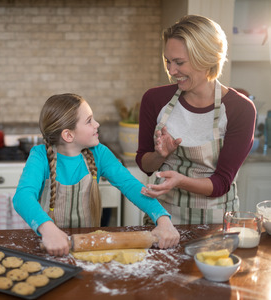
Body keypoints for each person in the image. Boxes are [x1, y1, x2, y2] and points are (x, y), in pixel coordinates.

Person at [13, 93, 180, 257]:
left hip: (89, 246)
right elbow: (23, 197)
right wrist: (48, 230)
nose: (97, 124)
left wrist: (162, 218)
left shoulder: (99, 153)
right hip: (48, 246)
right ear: (68, 135)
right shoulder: (40, 156)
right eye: (89, 121)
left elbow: (131, 186)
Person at [137, 15, 256, 225]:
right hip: (162, 221)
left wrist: (180, 181)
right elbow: (145, 165)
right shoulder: (154, 99)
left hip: (215, 225)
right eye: (168, 61)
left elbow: (221, 183)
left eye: (179, 62)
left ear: (207, 58)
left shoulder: (241, 109)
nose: (172, 71)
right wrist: (159, 155)